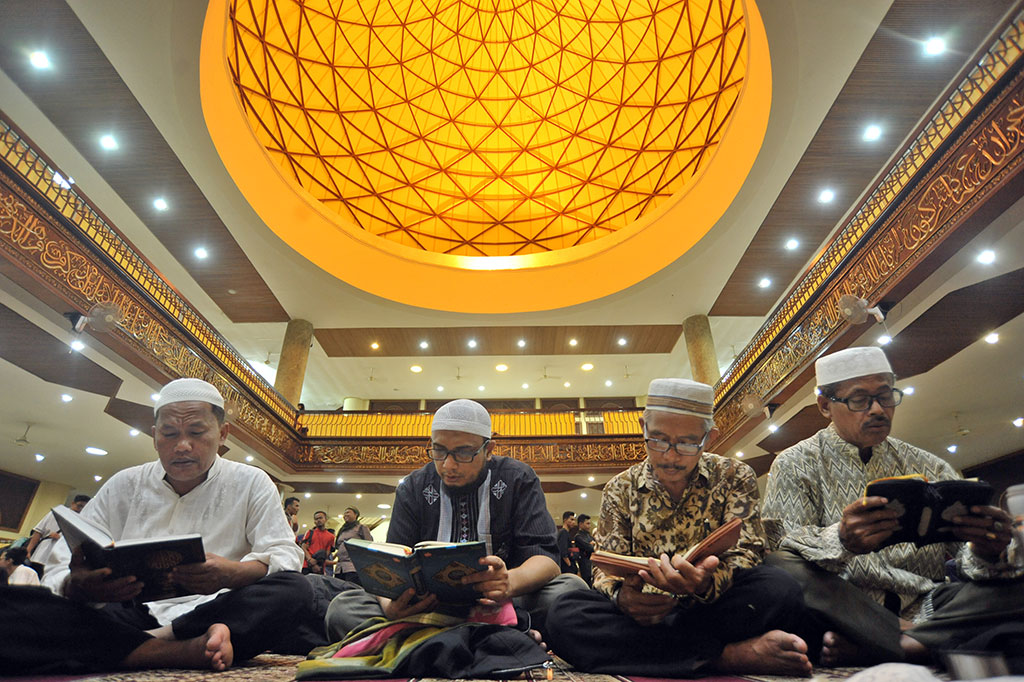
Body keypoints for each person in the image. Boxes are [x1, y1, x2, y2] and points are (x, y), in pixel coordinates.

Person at [762, 346, 1023, 665]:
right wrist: (841, 540)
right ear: (825, 405)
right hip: (846, 608)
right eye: (859, 399)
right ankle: (920, 641)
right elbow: (784, 546)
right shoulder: (795, 463)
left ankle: (898, 645)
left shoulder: (932, 465)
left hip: (933, 606)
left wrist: (985, 551)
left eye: (886, 396)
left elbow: (965, 562)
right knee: (779, 566)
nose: (877, 410)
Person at [546, 378, 812, 677]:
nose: (670, 456)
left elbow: (747, 552)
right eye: (657, 440)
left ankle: (676, 653)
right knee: (563, 613)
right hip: (644, 616)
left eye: (686, 443)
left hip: (712, 606)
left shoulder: (735, 475)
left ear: (709, 437)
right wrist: (624, 598)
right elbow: (604, 566)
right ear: (643, 428)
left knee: (780, 588)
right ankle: (726, 656)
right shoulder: (619, 488)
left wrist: (703, 584)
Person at [40, 377, 310, 668]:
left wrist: (233, 573)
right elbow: (59, 569)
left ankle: (144, 642)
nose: (182, 446)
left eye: (196, 432)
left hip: (216, 609)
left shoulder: (251, 482)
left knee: (296, 591)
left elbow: (285, 554)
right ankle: (181, 648)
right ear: (154, 435)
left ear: (223, 434)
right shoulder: (124, 484)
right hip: (128, 612)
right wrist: (79, 586)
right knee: (22, 607)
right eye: (169, 434)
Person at [326, 398, 586, 640]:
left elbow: (546, 560)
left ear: (489, 449)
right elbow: (393, 560)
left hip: (504, 601)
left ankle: (432, 640)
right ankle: (504, 637)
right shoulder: (414, 486)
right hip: (425, 609)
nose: (448, 465)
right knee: (343, 609)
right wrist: (391, 606)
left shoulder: (518, 479)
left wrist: (510, 582)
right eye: (439, 451)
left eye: (464, 453)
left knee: (570, 590)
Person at [25, 494, 90, 565]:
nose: (80, 510)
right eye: (79, 506)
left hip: (60, 556)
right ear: (73, 503)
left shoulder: (81, 522)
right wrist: (28, 551)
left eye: (84, 508)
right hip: (42, 551)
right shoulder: (55, 513)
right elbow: (38, 532)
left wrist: (60, 538)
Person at [333, 506, 373, 583]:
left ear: (356, 515)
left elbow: (369, 544)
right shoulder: (342, 530)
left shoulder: (361, 527)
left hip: (353, 566)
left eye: (348, 512)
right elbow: (338, 547)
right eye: (344, 513)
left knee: (351, 590)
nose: (345, 514)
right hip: (339, 568)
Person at [300, 511, 335, 575]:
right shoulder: (309, 532)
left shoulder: (331, 536)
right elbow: (304, 548)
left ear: (325, 519)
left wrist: (316, 562)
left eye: (320, 518)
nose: (318, 520)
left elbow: (327, 552)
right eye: (316, 519)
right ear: (314, 521)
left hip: (320, 567)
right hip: (307, 566)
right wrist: (310, 560)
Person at [573, 514, 595, 587]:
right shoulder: (578, 537)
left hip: (592, 563)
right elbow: (591, 548)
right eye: (587, 524)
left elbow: (596, 546)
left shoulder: (588, 535)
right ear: (581, 524)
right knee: (588, 585)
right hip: (585, 564)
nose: (589, 526)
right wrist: (592, 544)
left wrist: (593, 544)